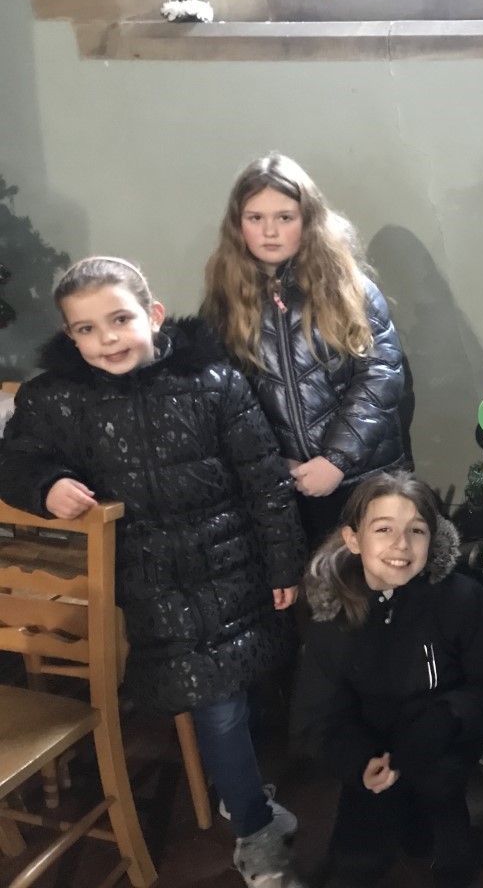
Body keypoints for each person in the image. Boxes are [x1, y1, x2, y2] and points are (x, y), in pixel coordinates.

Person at [0, 257, 307, 887]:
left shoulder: (214, 381)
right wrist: (48, 483)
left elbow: (264, 480)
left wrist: (282, 562)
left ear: (154, 315)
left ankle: (236, 783)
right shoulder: (58, 400)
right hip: (150, 584)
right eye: (85, 330)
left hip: (233, 568)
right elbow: (16, 462)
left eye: (119, 320)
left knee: (237, 695)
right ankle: (253, 830)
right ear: (68, 335)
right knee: (218, 705)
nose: (106, 339)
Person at [292, 471, 483, 888]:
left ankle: (444, 840)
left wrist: (451, 716)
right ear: (354, 539)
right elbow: (317, 715)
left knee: (450, 855)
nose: (401, 544)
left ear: (431, 540)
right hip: (370, 757)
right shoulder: (333, 615)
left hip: (441, 751)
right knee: (354, 862)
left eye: (415, 530)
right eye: (384, 529)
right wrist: (358, 762)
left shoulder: (461, 600)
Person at [201, 153, 411, 547]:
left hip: (365, 478)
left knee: (374, 588)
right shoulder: (225, 301)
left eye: (285, 217)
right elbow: (227, 399)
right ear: (237, 224)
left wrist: (336, 460)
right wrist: (273, 464)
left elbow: (380, 376)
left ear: (308, 220)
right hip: (284, 486)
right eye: (255, 218)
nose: (270, 231)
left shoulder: (348, 286)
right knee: (311, 596)